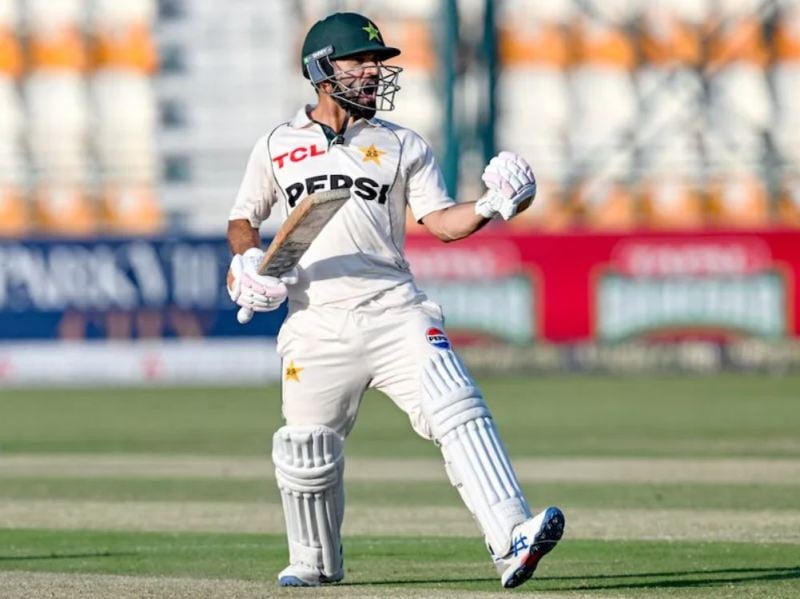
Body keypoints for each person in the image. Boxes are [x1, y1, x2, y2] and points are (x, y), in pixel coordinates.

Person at [226, 11, 564, 589]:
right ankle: (315, 562)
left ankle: (511, 536)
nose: (372, 74)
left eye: (376, 64)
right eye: (360, 62)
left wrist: (489, 205)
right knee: (306, 452)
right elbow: (243, 219)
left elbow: (440, 221)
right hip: (315, 320)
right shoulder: (276, 146)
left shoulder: (401, 143)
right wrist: (244, 259)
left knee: (456, 404)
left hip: (394, 311)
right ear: (320, 69)